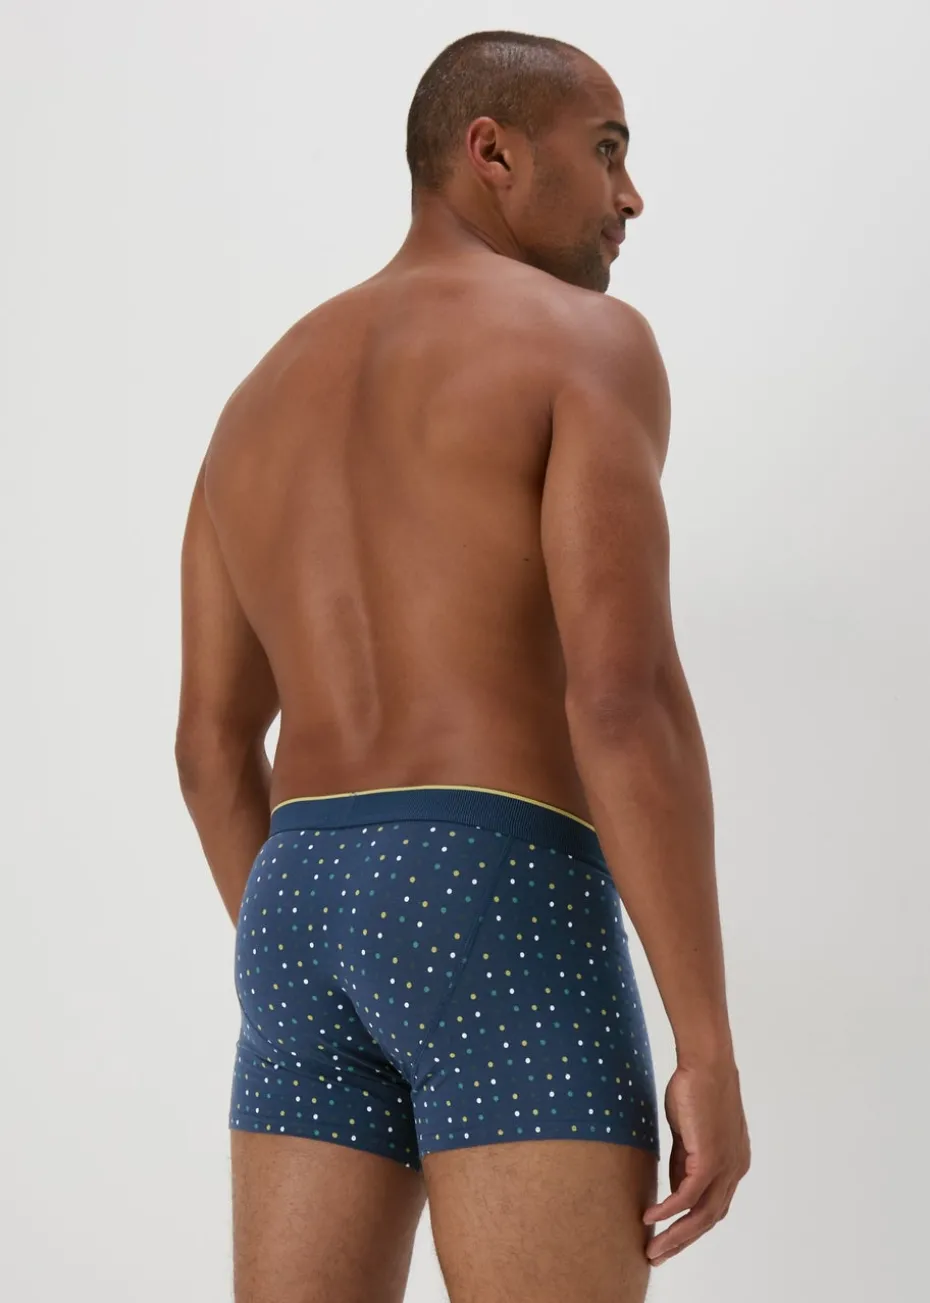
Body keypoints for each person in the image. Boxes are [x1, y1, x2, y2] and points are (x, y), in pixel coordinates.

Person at [176, 27, 750, 1303]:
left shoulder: (255, 400)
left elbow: (209, 747)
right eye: (607, 152)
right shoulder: (584, 344)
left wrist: (312, 941)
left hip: (296, 905)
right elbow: (623, 699)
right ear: (492, 152)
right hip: (497, 886)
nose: (630, 197)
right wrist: (706, 1041)